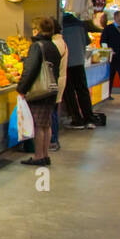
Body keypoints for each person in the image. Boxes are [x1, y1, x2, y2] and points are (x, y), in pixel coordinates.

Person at [16, 16, 62, 167]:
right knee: (46, 124)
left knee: (38, 125)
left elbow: (31, 69)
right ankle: (45, 155)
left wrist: (22, 88)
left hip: (39, 91)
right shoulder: (53, 46)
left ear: (38, 29)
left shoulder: (37, 46)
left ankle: (38, 156)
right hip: (51, 89)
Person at [60, 10, 101, 128]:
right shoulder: (79, 24)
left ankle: (76, 119)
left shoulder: (60, 25)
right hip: (79, 61)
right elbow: (87, 42)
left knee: (69, 92)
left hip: (66, 63)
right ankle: (89, 117)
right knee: (82, 90)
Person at [49, 17, 67, 152]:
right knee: (53, 110)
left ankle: (53, 140)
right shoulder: (61, 41)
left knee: (52, 112)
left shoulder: (56, 44)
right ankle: (53, 139)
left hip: (55, 81)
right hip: (59, 79)